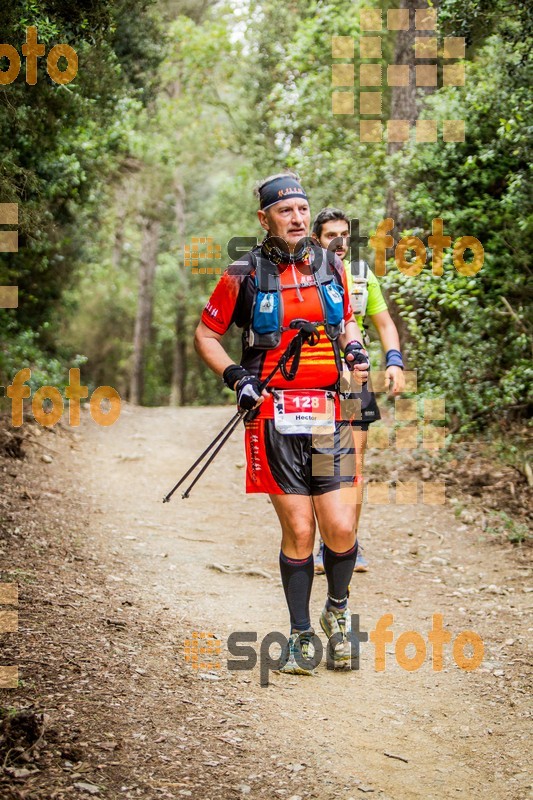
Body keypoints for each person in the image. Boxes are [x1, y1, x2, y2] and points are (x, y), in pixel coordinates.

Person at [194, 173, 369, 674]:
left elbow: (348, 321)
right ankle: (299, 635)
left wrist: (353, 347)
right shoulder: (241, 273)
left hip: (330, 409)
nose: (295, 218)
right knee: (298, 529)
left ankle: (337, 611)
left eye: (301, 210)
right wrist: (236, 378)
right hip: (270, 414)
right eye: (284, 211)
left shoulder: (330, 263)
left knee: (338, 525)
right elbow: (205, 336)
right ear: (264, 219)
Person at [311, 207, 405, 574]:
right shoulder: (303, 275)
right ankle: (323, 543)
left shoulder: (362, 277)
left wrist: (394, 361)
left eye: (345, 234)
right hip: (315, 376)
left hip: (355, 377)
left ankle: (348, 541)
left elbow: (385, 323)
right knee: (321, 465)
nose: (339, 240)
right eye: (330, 234)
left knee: (354, 467)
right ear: (316, 239)